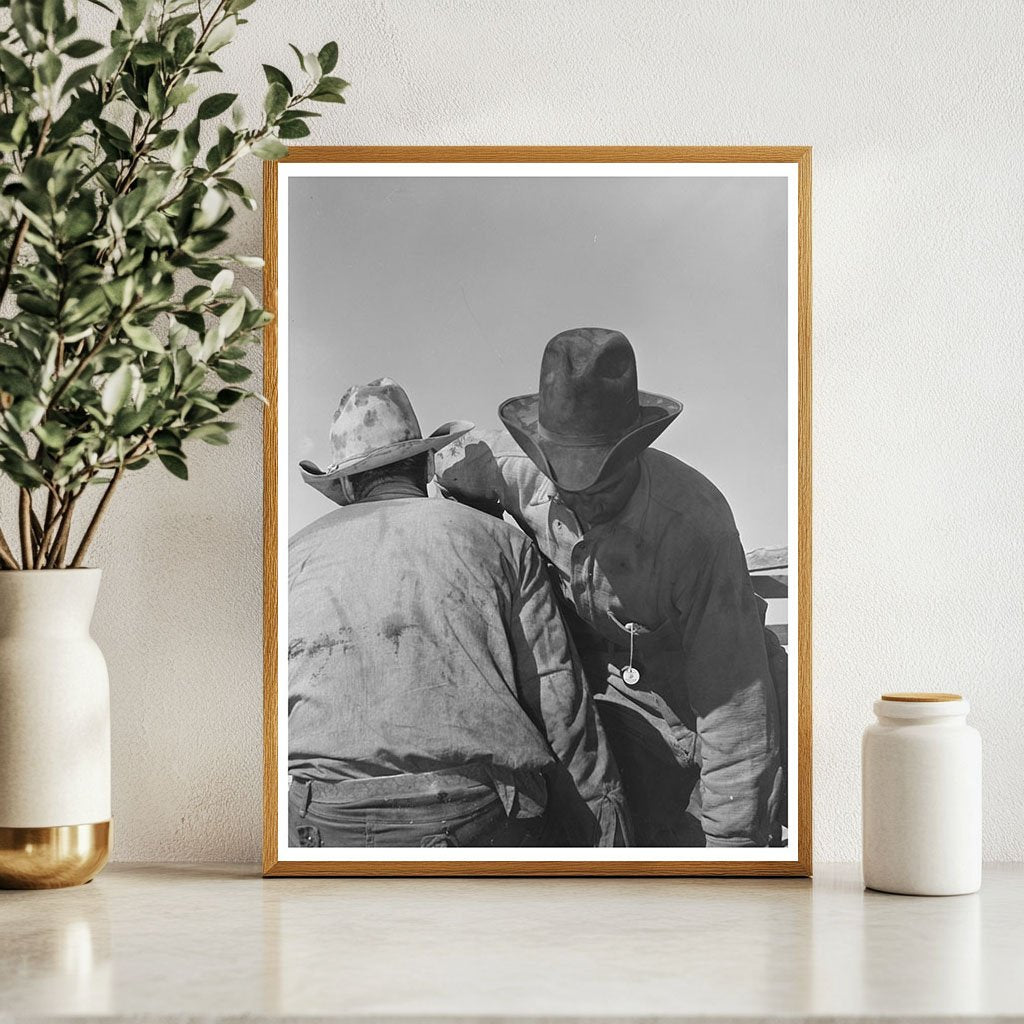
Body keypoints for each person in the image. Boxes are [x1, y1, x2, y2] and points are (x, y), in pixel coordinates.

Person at [435, 329, 784, 847]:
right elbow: (442, 466)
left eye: (602, 482)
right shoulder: (503, 468)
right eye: (564, 478)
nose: (584, 500)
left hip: (696, 712)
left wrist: (727, 861)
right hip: (596, 698)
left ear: (635, 451)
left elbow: (736, 718)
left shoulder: (696, 527)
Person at [288, 377, 630, 848]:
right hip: (471, 816)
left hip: (322, 821)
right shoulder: (499, 539)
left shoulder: (291, 557)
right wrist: (605, 826)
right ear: (428, 463)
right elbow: (559, 698)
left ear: (344, 482)